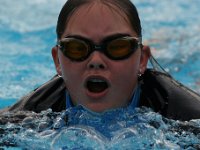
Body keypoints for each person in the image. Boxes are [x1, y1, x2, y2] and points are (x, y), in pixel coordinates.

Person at [1, 0, 200, 121]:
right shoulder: (28, 114)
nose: (96, 61)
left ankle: (168, 41)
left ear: (142, 60)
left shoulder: (184, 112)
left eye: (117, 47)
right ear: (57, 61)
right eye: (77, 48)